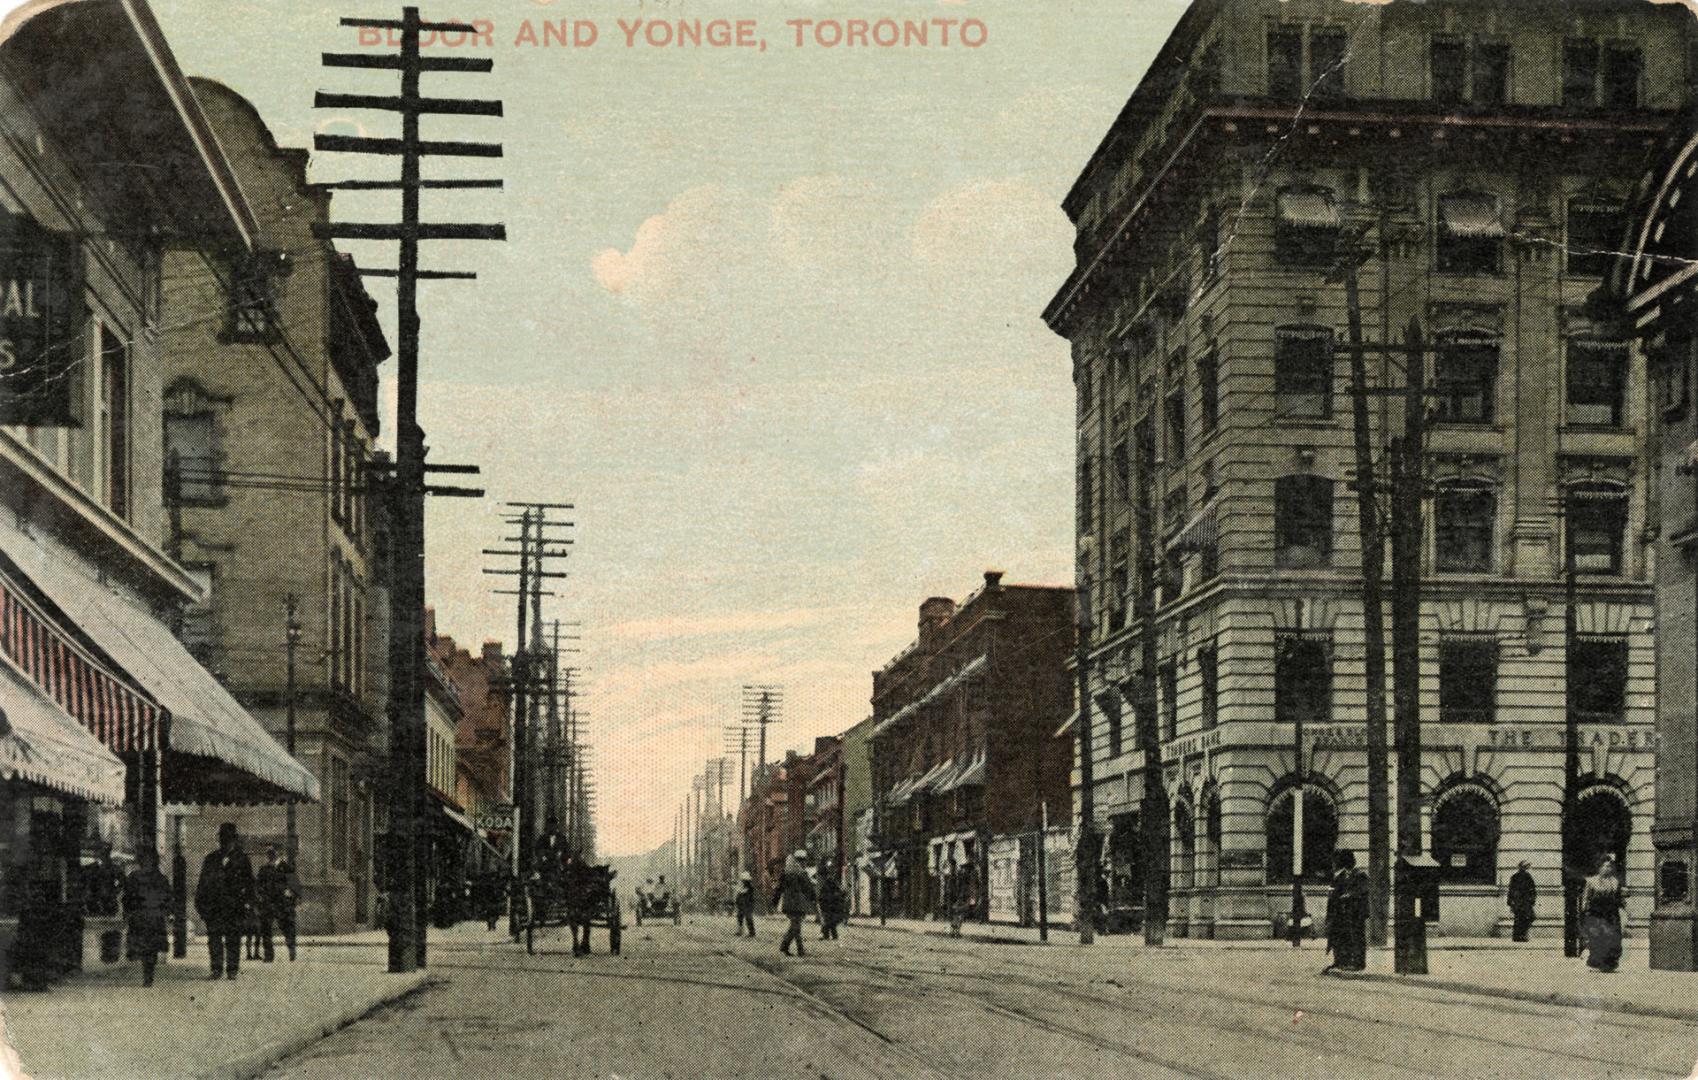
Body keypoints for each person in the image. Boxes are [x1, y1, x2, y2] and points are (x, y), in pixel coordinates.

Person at [194, 822, 254, 980]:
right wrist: (201, 906)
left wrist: (247, 904)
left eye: (228, 839)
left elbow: (250, 884)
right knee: (214, 939)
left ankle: (232, 969)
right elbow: (202, 884)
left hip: (235, 907)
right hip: (215, 907)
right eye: (222, 839)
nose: (224, 842)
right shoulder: (211, 859)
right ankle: (216, 968)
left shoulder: (242, 860)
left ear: (234, 840)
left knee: (233, 939)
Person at [122, 848, 172, 987]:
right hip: (150, 917)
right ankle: (148, 975)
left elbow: (127, 898)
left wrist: (128, 912)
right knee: (150, 948)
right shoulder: (159, 877)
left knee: (147, 948)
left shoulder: (136, 877)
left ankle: (148, 976)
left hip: (145, 916)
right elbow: (168, 897)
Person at [1324, 848, 1369, 973]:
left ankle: (1358, 963)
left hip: (1356, 913)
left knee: (1356, 937)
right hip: (1343, 913)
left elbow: (1363, 891)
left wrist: (1350, 895)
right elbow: (1335, 893)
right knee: (1342, 937)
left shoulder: (1360, 875)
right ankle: (1342, 961)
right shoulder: (1341, 876)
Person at [1581, 855, 1627, 973]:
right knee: (1598, 937)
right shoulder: (1591, 881)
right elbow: (1586, 897)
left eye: (1610, 866)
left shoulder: (1615, 881)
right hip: (1597, 913)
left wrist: (1623, 904)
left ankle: (1610, 963)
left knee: (1613, 938)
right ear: (1600, 868)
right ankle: (1597, 962)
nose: (1608, 869)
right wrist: (1585, 911)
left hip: (1611, 913)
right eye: (1606, 866)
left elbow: (1619, 897)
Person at [256, 846, 301, 962]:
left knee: (288, 927)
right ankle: (268, 955)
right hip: (268, 903)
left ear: (279, 853)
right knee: (265, 928)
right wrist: (261, 897)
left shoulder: (287, 868)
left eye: (273, 852)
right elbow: (258, 885)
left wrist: (290, 894)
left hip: (283, 904)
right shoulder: (264, 869)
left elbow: (295, 886)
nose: (271, 855)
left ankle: (292, 949)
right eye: (269, 853)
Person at [773, 850, 817, 957]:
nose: (804, 863)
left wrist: (775, 901)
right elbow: (809, 887)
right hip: (798, 903)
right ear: (802, 861)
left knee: (795, 926)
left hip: (788, 903)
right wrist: (814, 898)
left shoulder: (786, 872)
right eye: (804, 861)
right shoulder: (801, 872)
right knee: (796, 926)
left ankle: (787, 947)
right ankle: (797, 950)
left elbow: (779, 888)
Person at [1508, 860, 1537, 943]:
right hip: (1522, 901)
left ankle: (1520, 936)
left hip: (1522, 901)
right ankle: (1520, 936)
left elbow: (1532, 890)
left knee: (1522, 918)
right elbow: (1511, 890)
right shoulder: (1523, 877)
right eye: (1526, 867)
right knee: (1523, 918)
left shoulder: (1519, 877)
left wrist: (1510, 902)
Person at [819, 864, 846, 941]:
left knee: (831, 921)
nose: (831, 875)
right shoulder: (829, 883)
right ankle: (830, 935)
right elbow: (823, 895)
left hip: (833, 905)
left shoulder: (832, 882)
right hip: (829, 905)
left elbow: (840, 893)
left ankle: (828, 935)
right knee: (830, 921)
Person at [735, 872, 757, 937]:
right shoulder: (741, 887)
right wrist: (737, 902)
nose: (743, 882)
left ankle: (752, 932)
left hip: (748, 905)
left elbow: (750, 897)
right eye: (743, 880)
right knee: (740, 917)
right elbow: (738, 895)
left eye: (745, 880)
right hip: (741, 904)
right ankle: (740, 931)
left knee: (748, 918)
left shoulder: (750, 888)